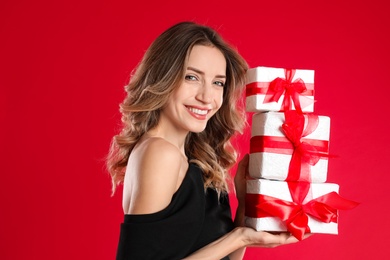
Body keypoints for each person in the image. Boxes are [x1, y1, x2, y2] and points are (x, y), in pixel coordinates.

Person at [107, 21, 303, 260]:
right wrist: (241, 237)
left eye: (218, 82)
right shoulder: (159, 152)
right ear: (162, 78)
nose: (206, 97)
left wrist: (245, 207)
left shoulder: (193, 160)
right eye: (192, 77)